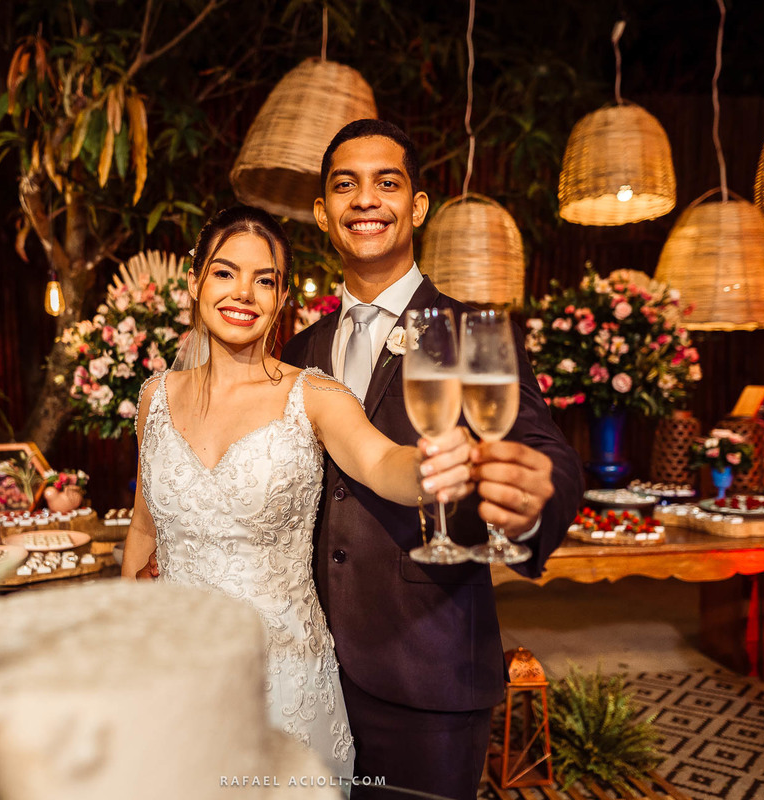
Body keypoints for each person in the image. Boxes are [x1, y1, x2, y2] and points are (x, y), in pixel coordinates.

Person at [279, 119, 583, 800]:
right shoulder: (298, 351)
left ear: (416, 207)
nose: (366, 199)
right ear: (323, 212)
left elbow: (543, 448)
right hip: (306, 674)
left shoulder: (467, 331)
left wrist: (536, 499)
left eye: (386, 183)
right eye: (345, 185)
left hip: (425, 671)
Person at [121, 205, 476, 784]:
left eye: (264, 280)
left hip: (283, 683)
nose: (244, 293)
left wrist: (435, 466)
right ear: (195, 281)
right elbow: (144, 528)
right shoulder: (154, 398)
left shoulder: (313, 395)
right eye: (225, 272)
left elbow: (380, 461)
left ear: (282, 297)